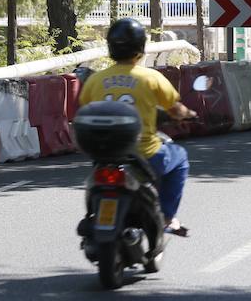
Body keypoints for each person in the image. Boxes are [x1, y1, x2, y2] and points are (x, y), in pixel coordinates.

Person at [78, 18, 197, 236]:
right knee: (179, 158)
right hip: (145, 154)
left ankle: (92, 215)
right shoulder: (151, 77)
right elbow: (175, 109)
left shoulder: (95, 80)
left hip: (103, 154)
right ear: (140, 47)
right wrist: (190, 114)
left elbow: (84, 109)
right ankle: (168, 217)